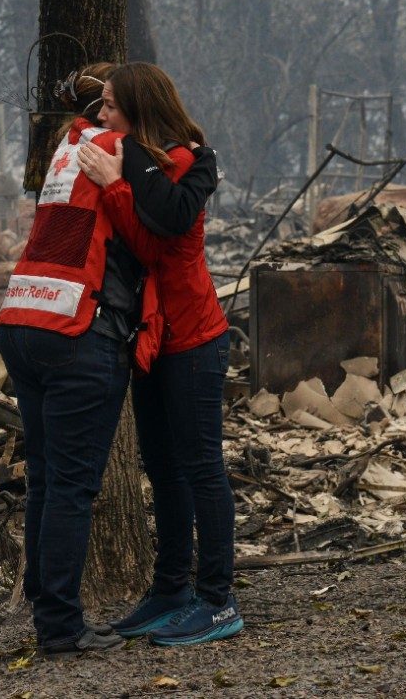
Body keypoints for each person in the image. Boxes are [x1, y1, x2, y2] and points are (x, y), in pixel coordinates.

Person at [76, 61, 242, 647]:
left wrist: (116, 183)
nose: (102, 116)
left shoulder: (190, 160)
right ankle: (172, 587)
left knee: (200, 468)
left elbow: (159, 236)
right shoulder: (131, 157)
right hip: (149, 338)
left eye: (112, 105)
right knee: (163, 468)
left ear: (141, 109)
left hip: (194, 336)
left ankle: (219, 601)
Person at [0, 63, 140, 658]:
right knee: (74, 488)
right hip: (77, 326)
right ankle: (59, 625)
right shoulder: (119, 149)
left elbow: (87, 114)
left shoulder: (68, 144)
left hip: (22, 317)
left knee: (48, 481)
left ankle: (40, 598)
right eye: (109, 101)